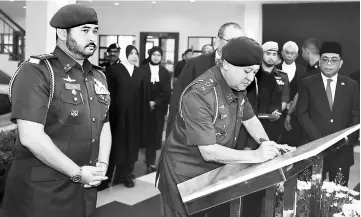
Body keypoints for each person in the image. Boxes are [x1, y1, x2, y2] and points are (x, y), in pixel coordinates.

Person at [4, 4, 111, 217]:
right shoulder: (37, 71)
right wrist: (79, 173)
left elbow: (104, 123)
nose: (92, 37)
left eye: (95, 31)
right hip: (43, 193)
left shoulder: (98, 76)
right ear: (63, 33)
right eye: (85, 30)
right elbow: (31, 137)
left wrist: (102, 165)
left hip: (84, 188)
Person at [157, 36, 282, 217]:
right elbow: (209, 151)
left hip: (212, 171)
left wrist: (268, 144)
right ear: (225, 64)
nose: (250, 78)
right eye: (246, 71)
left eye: (255, 72)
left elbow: (250, 119)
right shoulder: (200, 94)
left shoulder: (238, 85)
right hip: (184, 173)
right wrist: (255, 155)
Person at [297, 41, 360, 186]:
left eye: (334, 60)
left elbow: (356, 115)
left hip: (342, 151)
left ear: (341, 63)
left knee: (339, 195)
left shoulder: (351, 85)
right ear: (319, 62)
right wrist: (320, 141)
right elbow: (302, 114)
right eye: (325, 59)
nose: (329, 64)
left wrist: (344, 139)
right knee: (309, 193)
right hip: (314, 149)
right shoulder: (308, 83)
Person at [104, 45, 150, 188]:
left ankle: (126, 175)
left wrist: (143, 117)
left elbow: (144, 97)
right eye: (131, 53)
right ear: (125, 55)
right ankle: (106, 178)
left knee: (131, 146)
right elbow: (107, 94)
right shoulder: (114, 71)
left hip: (134, 118)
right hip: (117, 117)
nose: (134, 56)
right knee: (114, 147)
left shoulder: (140, 73)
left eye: (136, 53)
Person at [140, 46, 171, 173]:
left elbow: (167, 91)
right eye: (154, 55)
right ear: (150, 55)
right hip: (143, 108)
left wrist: (155, 102)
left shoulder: (164, 72)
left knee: (154, 136)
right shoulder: (141, 70)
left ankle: (150, 161)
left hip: (158, 109)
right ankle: (145, 160)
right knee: (144, 135)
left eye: (159, 55)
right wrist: (147, 102)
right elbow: (139, 89)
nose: (156, 57)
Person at [259, 41, 290, 142]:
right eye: (268, 54)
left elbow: (285, 99)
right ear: (262, 54)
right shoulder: (254, 73)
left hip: (274, 120)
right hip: (255, 118)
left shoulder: (283, 76)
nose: (271, 57)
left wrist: (277, 112)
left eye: (274, 54)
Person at [276, 41, 305, 147]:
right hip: (276, 111)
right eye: (286, 52)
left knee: (294, 143)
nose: (289, 55)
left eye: (292, 53)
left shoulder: (303, 71)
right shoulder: (274, 69)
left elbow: (303, 92)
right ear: (282, 53)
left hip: (296, 113)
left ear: (297, 55)